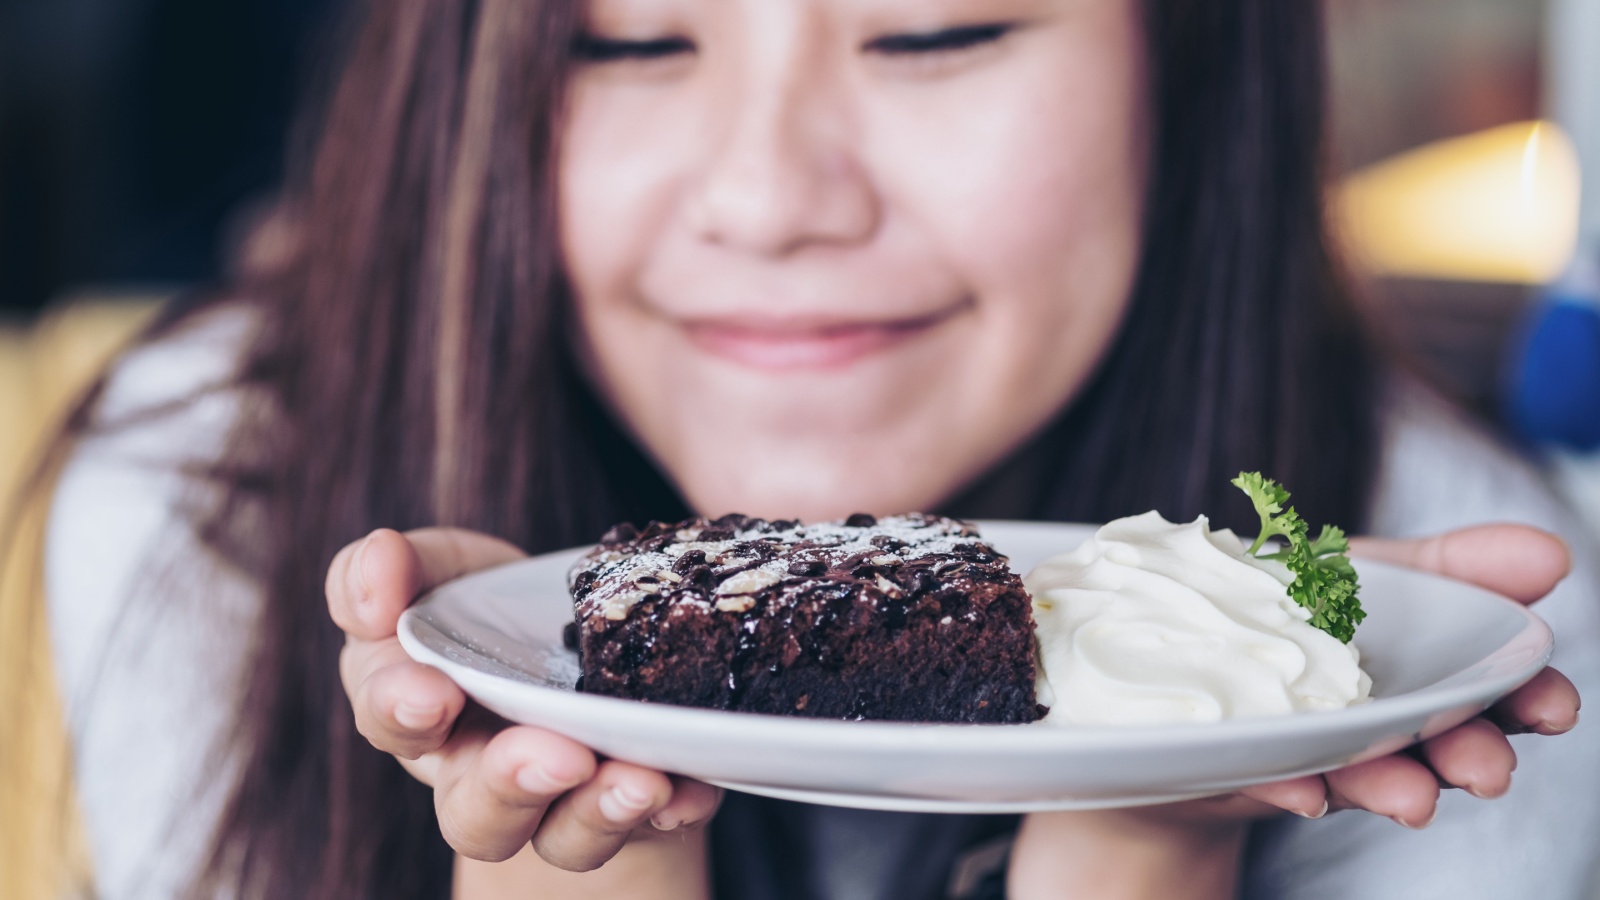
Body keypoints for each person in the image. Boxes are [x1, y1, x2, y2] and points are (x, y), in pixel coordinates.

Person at [24, 0, 1595, 898]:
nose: (772, 198)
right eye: (630, 40)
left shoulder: (1432, 630)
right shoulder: (213, 500)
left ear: (1193, 64)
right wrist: (570, 832)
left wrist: (1149, 822)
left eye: (933, 29)